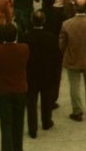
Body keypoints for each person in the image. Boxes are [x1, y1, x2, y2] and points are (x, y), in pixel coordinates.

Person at [0, 23, 29, 151]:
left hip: (3, 90)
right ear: (16, 35)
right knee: (19, 121)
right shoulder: (24, 48)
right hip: (20, 88)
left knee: (6, 124)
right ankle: (17, 149)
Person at [59, 0, 86, 122]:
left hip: (73, 58)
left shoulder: (66, 24)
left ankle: (77, 111)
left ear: (74, 8)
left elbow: (62, 44)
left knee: (74, 86)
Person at [23, 10, 61, 138]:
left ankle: (32, 128)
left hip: (30, 73)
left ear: (31, 21)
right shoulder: (50, 37)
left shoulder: (25, 37)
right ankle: (46, 121)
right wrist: (56, 75)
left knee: (31, 102)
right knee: (46, 99)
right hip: (47, 73)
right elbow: (57, 57)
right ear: (44, 21)